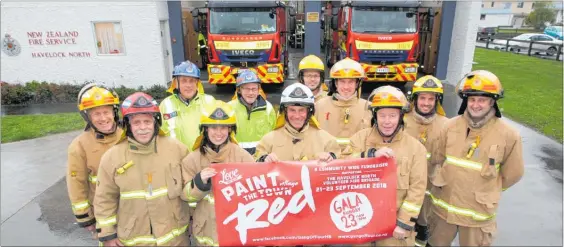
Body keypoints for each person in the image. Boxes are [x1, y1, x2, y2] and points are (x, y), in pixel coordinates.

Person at [427, 70, 524, 247]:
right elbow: (437, 158)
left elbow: (513, 174)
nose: (476, 105)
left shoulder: (509, 135)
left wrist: (489, 190)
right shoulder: (450, 126)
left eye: (482, 100)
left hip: (477, 215)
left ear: (492, 101)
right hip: (443, 210)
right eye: (472, 99)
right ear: (466, 101)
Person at [94, 92, 190, 246]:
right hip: (134, 239)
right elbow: (104, 199)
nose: (143, 128)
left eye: (147, 121)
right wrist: (108, 235)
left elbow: (189, 190)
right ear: (128, 125)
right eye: (137, 122)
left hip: (176, 239)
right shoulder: (112, 157)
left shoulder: (177, 149)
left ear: (156, 123)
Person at [346, 85, 427, 247]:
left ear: (401, 117)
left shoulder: (415, 148)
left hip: (395, 227)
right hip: (362, 222)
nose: (387, 121)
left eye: (392, 115)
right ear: (375, 116)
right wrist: (369, 155)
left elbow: (417, 190)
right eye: (382, 115)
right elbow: (343, 166)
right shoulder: (359, 139)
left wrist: (404, 223)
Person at [180, 100, 255, 246]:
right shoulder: (192, 159)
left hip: (236, 229)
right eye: (213, 127)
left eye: (223, 128)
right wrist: (199, 182)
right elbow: (185, 196)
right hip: (205, 233)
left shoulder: (243, 157)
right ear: (205, 129)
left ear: (230, 130)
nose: (218, 133)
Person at [67, 83, 123, 237]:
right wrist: (85, 217)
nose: (103, 118)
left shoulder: (127, 136)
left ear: (114, 112)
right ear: (87, 116)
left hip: (134, 212)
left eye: (106, 112)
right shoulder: (79, 146)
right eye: (96, 114)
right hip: (104, 216)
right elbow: (76, 184)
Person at [403, 75, 449, 247]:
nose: (426, 103)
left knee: (425, 232)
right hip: (405, 188)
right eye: (422, 98)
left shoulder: (447, 125)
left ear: (438, 101)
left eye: (431, 98)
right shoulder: (402, 121)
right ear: (414, 99)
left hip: (431, 190)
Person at [255, 83, 341, 162]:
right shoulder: (269, 140)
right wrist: (264, 159)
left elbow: (341, 163)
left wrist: (331, 157)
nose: (297, 116)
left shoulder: (325, 139)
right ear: (284, 111)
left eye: (301, 110)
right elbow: (253, 165)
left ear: (309, 112)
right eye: (292, 110)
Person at [315, 57, 372, 153]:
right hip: (328, 164)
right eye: (342, 81)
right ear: (336, 83)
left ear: (357, 84)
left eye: (351, 82)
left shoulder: (369, 108)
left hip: (358, 164)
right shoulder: (319, 107)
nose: (346, 87)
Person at [160, 60, 215, 151]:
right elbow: (159, 136)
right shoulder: (166, 104)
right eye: (184, 81)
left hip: (204, 158)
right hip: (176, 160)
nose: (188, 85)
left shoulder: (210, 101)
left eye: (192, 81)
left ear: (197, 83)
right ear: (176, 83)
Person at [228, 70, 276, 155]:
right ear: (239, 90)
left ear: (258, 90)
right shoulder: (229, 108)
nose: (251, 93)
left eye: (254, 89)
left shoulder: (268, 108)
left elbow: (275, 134)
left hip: (262, 158)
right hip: (237, 158)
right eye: (247, 89)